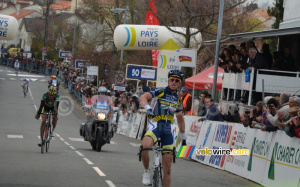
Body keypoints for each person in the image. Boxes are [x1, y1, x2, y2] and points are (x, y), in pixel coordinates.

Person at [139, 69, 187, 187]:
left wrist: (184, 137)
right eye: (172, 79)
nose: (174, 82)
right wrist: (148, 107)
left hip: (168, 129)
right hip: (156, 125)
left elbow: (180, 118)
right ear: (168, 80)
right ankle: (146, 171)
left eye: (177, 80)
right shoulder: (160, 91)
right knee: (145, 146)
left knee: (168, 169)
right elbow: (143, 97)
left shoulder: (177, 100)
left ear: (180, 83)